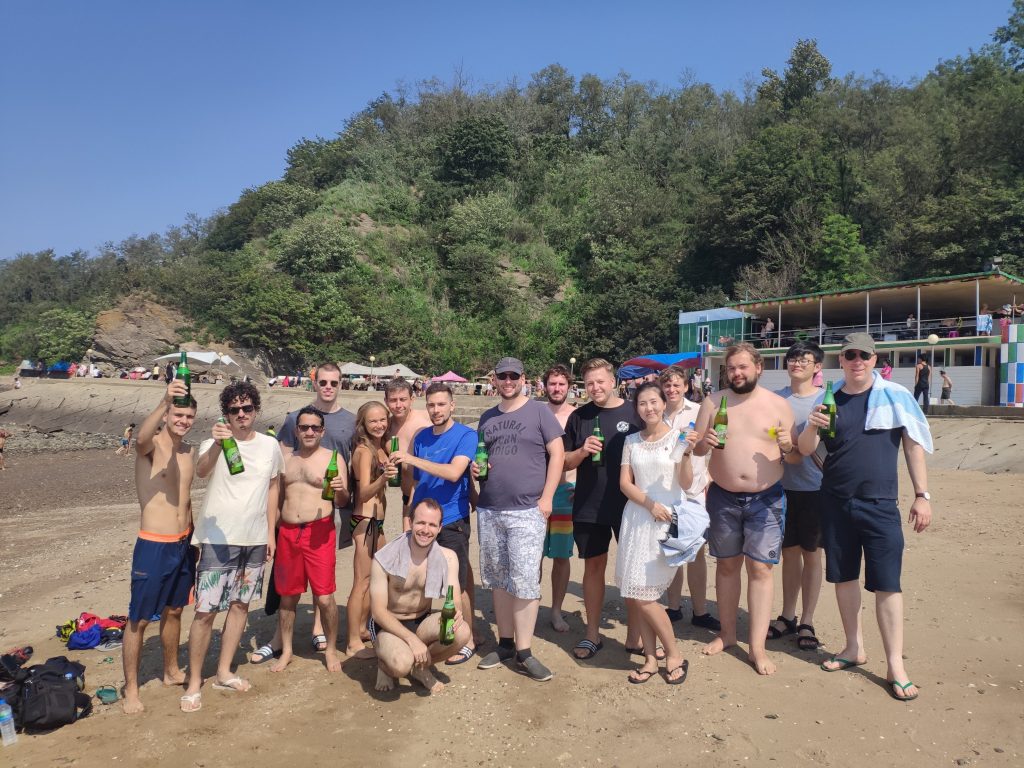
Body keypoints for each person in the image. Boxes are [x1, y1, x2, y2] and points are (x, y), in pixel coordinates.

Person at [798, 332, 933, 702]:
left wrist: (922, 496)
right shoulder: (831, 399)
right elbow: (806, 449)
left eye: (864, 355)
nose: (857, 361)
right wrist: (811, 424)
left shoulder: (895, 396)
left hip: (880, 504)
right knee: (843, 578)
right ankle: (853, 647)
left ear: (875, 360)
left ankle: (895, 665)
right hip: (835, 502)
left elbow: (913, 445)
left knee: (888, 584)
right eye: (850, 355)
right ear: (840, 361)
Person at [692, 342, 796, 676]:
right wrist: (701, 445)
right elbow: (694, 451)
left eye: (743, 367)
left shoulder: (778, 404)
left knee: (761, 570)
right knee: (726, 566)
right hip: (722, 495)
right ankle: (727, 635)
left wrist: (788, 446)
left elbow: (793, 457)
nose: (737, 373)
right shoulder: (712, 402)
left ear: (758, 367)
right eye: (731, 368)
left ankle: (757, 647)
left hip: (766, 497)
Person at [182, 382, 284, 712]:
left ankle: (224, 671)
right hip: (217, 539)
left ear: (256, 410)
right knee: (205, 611)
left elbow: (272, 491)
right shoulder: (213, 442)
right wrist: (217, 445)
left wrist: (270, 533)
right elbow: (201, 472)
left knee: (241, 605)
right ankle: (195, 680)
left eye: (247, 408)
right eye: (235, 410)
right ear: (226, 413)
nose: (241, 414)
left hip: (254, 539)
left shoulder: (270, 446)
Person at [473, 357, 564, 681]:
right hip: (490, 508)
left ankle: (525, 652)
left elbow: (557, 453)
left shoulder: (539, 411)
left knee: (525, 580)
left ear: (524, 378)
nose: (508, 380)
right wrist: (476, 470)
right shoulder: (487, 417)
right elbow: (483, 459)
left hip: (527, 509)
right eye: (502, 376)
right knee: (498, 578)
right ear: (495, 379)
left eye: (513, 375)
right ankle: (506, 643)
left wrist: (547, 498)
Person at [266, 362, 356, 657]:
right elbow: (273, 493)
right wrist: (271, 531)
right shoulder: (286, 458)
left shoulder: (334, 453)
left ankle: (330, 648)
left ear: (322, 431)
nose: (308, 431)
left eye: (314, 428)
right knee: (288, 596)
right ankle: (287, 648)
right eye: (303, 427)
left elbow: (342, 500)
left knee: (326, 595)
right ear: (296, 429)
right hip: (289, 531)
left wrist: (342, 489)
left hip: (321, 530)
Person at [389, 383, 479, 664]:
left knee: (459, 581)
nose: (436, 410)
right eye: (431, 405)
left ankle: (469, 637)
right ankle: (423, 630)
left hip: (452, 519)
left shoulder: (465, 435)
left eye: (442, 404)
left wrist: (411, 457)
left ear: (452, 405)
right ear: (425, 406)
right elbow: (416, 483)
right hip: (421, 521)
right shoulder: (421, 436)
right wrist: (408, 514)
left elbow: (454, 473)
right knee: (421, 578)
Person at [122, 380, 197, 714]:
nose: (183, 421)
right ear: (167, 414)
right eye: (178, 414)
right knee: (139, 619)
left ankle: (170, 670)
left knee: (176, 610)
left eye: (188, 416)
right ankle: (132, 689)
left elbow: (187, 498)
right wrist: (163, 399)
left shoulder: (188, 452)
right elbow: (139, 439)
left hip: (182, 543)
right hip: (153, 543)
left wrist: (193, 537)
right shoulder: (151, 446)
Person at [562, 358, 643, 661]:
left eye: (600, 381)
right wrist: (582, 451)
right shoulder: (579, 417)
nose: (595, 387)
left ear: (613, 381)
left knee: (634, 572)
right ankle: (592, 633)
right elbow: (565, 462)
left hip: (630, 506)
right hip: (589, 505)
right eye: (590, 383)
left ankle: (635, 636)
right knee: (593, 568)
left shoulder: (634, 411)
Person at [618, 382, 697, 684]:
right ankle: (651, 658)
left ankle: (673, 654)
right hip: (637, 517)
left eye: (654, 402)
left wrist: (688, 455)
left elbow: (686, 483)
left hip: (665, 521)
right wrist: (649, 504)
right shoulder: (631, 441)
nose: (649, 408)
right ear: (636, 408)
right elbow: (625, 483)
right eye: (642, 403)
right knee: (638, 596)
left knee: (647, 596)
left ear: (664, 403)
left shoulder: (678, 438)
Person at [369, 499, 471, 694]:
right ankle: (385, 665)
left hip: (421, 620)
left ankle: (419, 668)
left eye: (432, 524)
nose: (426, 530)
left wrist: (456, 612)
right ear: (410, 522)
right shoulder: (385, 557)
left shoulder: (448, 557)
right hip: (389, 625)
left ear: (440, 528)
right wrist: (411, 640)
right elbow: (378, 612)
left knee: (462, 632)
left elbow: (454, 598)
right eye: (421, 523)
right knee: (400, 664)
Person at [768, 341, 826, 652]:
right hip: (780, 487)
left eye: (804, 360)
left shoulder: (825, 400)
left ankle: (808, 619)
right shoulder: (776, 399)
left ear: (817, 366)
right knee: (788, 554)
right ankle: (787, 615)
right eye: (792, 358)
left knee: (812, 554)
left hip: (816, 488)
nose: (797, 364)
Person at [659, 366, 720, 632]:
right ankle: (673, 607)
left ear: (686, 386)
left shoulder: (698, 412)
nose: (671, 390)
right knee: (670, 549)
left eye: (676, 385)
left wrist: (709, 478)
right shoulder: (655, 412)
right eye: (667, 386)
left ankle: (700, 610)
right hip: (665, 490)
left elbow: (715, 446)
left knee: (696, 552)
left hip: (694, 491)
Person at [345, 401, 398, 659]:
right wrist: (384, 478)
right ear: (363, 425)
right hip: (364, 521)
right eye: (373, 421)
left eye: (382, 420)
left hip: (377, 522)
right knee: (362, 582)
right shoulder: (364, 451)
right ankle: (353, 640)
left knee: (380, 577)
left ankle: (364, 628)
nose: (379, 425)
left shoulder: (381, 447)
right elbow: (364, 492)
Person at [538, 364, 576, 633]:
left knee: (562, 556)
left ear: (569, 386)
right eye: (552, 383)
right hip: (536, 493)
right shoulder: (535, 413)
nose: (557, 388)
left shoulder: (577, 416)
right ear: (544, 386)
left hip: (567, 494)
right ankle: (530, 605)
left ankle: (556, 611)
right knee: (533, 556)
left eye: (561, 384)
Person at [384, 378, 432, 511]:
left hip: (435, 494)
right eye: (393, 400)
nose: (398, 405)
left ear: (412, 399)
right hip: (407, 498)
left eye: (403, 399)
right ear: (386, 401)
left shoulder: (427, 418)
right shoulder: (384, 429)